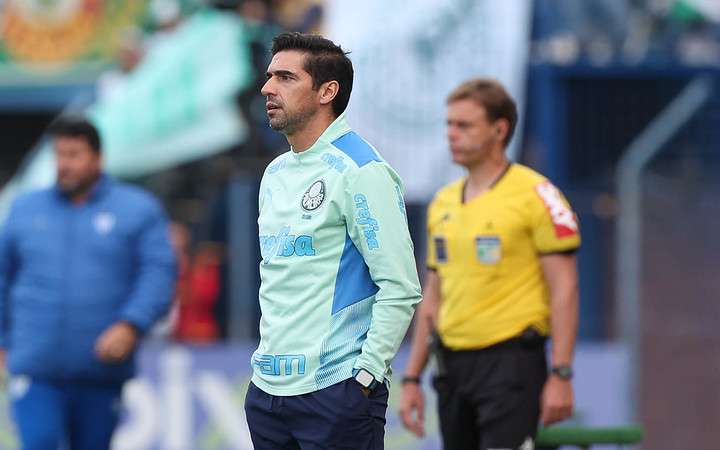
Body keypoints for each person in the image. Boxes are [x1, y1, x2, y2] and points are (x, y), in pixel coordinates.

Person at [244, 32, 422, 450]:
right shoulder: (275, 173)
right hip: (268, 391)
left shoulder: (361, 171)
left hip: (335, 390)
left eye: (286, 77)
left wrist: (366, 376)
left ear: (328, 91)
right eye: (270, 76)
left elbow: (400, 287)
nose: (268, 88)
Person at [0, 116, 177, 450]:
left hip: (100, 369)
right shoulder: (25, 208)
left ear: (98, 158)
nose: (64, 165)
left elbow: (158, 274)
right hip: (36, 366)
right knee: (39, 443)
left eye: (74, 155)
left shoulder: (137, 210)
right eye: (59, 155)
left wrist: (131, 324)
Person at [399, 78, 581, 450]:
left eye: (464, 125)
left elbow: (565, 288)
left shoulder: (537, 195)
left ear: (499, 129)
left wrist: (561, 372)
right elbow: (432, 295)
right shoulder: (443, 202)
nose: (452, 134)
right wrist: (413, 377)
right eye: (449, 124)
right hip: (451, 367)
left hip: (510, 363)